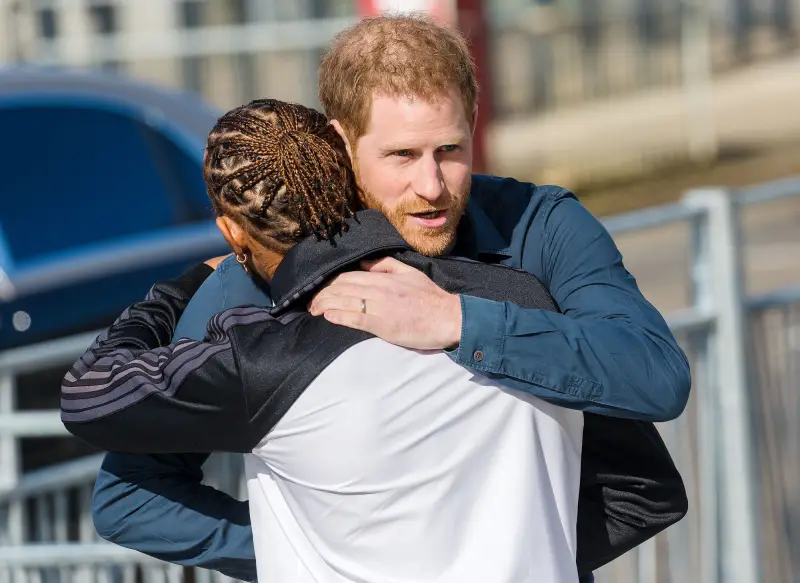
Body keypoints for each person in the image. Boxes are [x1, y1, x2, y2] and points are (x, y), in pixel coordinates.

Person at [87, 13, 690, 583]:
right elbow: (129, 496)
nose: (430, 187)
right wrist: (317, 548)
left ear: (474, 124)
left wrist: (459, 321)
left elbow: (655, 380)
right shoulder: (252, 276)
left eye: (450, 151)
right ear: (341, 141)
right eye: (402, 155)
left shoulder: (540, 224)